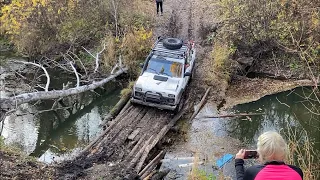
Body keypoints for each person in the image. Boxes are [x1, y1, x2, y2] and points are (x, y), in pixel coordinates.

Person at [235, 131, 303, 180]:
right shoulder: (297, 172)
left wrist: (238, 162)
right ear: (284, 150)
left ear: (260, 153)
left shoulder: (252, 172)